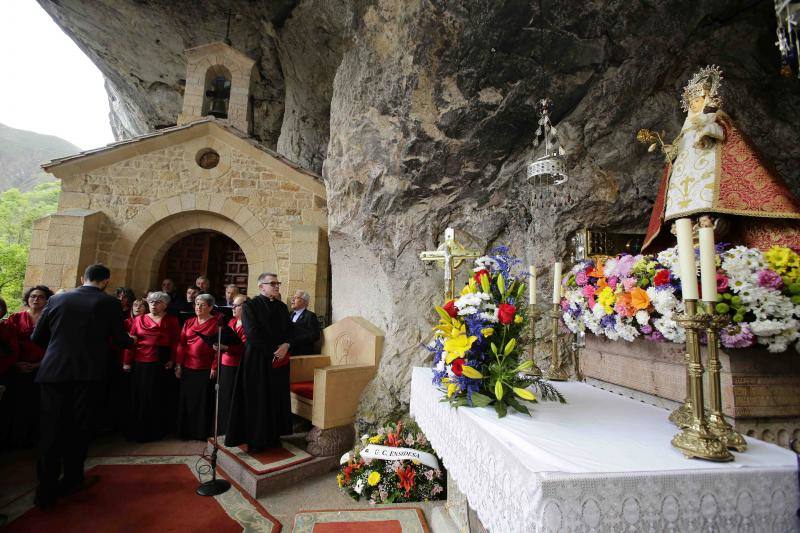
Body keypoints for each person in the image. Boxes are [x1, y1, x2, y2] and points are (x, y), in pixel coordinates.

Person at [641, 65, 800, 253]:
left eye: (698, 100)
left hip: (708, 176)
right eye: (691, 102)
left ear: (706, 99)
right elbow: (678, 149)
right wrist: (670, 149)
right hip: (686, 180)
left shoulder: (715, 118)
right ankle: (689, 229)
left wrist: (706, 131)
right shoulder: (685, 130)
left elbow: (721, 132)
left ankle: (707, 224)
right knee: (684, 217)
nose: (693, 104)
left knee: (709, 211)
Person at [31, 264, 133, 510]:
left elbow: (37, 337)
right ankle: (73, 479)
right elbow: (121, 340)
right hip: (87, 375)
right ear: (106, 281)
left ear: (81, 278)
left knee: (50, 430)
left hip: (53, 372)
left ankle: (45, 491)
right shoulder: (109, 303)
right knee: (78, 428)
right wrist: (132, 340)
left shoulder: (58, 299)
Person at [226, 272, 292, 452]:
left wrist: (286, 345)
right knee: (257, 399)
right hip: (256, 360)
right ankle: (256, 440)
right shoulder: (250, 306)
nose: (277, 286)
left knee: (275, 397)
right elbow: (252, 333)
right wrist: (275, 349)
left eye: (277, 283)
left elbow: (289, 330)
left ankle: (273, 436)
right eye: (272, 283)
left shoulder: (281, 307)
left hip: (279, 359)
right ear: (261, 287)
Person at [123, 292, 180, 442]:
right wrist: (127, 362)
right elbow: (131, 342)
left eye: (158, 302)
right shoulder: (139, 319)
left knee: (156, 396)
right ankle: (137, 430)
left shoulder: (172, 320)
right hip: (140, 362)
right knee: (139, 396)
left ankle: (155, 431)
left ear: (165, 304)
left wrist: (173, 360)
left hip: (161, 362)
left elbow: (176, 342)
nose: (154, 304)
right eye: (151, 302)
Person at [3, 285, 53, 448]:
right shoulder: (16, 318)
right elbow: (7, 345)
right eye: (33, 296)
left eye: (40, 297)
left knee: (38, 405)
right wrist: (16, 364)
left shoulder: (51, 320)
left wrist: (40, 364)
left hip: (43, 367)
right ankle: (15, 439)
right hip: (18, 367)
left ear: (47, 301)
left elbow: (54, 346)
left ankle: (34, 439)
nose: (36, 299)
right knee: (16, 404)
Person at [175, 293, 223, 440]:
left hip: (206, 368)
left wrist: (214, 366)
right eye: (196, 304)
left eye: (202, 305)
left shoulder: (216, 323)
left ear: (210, 307)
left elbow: (218, 347)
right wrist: (178, 364)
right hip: (188, 366)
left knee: (203, 402)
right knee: (188, 400)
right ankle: (186, 431)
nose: (198, 307)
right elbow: (181, 344)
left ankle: (200, 432)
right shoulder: (189, 322)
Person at [215, 294, 247, 435]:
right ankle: (223, 429)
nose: (233, 308)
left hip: (237, 365)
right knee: (224, 397)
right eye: (232, 305)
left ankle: (233, 430)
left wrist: (226, 348)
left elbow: (245, 347)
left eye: (236, 305)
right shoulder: (231, 322)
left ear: (245, 307)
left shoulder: (248, 325)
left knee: (233, 398)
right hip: (225, 363)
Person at [289, 290, 321, 355]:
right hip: (288, 353)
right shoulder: (289, 314)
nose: (292, 300)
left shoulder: (310, 316)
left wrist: (295, 340)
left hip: (302, 354)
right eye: (293, 297)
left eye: (296, 297)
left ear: (305, 302)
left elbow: (315, 335)